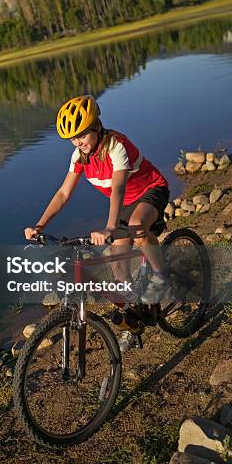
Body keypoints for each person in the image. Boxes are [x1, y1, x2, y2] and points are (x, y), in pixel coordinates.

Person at [24, 95, 171, 333]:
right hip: (124, 203)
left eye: (82, 135)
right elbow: (63, 194)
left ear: (96, 126)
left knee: (136, 226)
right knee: (118, 268)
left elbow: (118, 189)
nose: (77, 141)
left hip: (150, 189)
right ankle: (134, 321)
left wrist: (110, 227)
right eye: (72, 138)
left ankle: (162, 277)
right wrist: (40, 225)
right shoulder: (79, 157)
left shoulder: (116, 146)